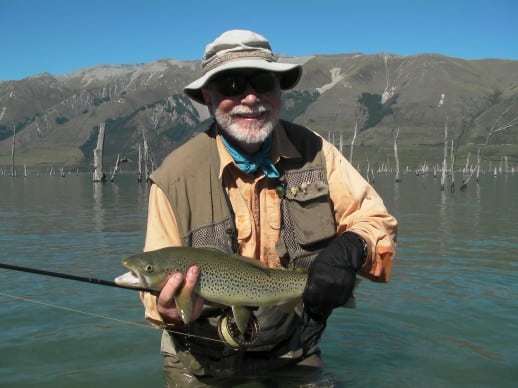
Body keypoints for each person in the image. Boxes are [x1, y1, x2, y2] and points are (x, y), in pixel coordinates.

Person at [139, 29, 397, 386]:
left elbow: (375, 219)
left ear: (279, 92)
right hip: (199, 360)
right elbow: (154, 291)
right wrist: (168, 310)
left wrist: (351, 247)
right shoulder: (173, 179)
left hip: (293, 349)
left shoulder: (317, 153)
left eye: (263, 82)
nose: (250, 97)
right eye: (231, 85)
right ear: (209, 97)